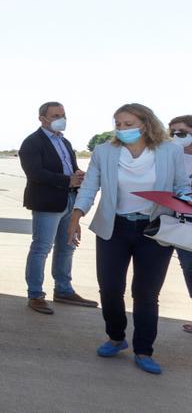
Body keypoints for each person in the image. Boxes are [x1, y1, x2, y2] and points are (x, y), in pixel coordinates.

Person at [67, 103, 192, 374]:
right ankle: (116, 337)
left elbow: (181, 185)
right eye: (119, 124)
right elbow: (90, 185)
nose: (122, 129)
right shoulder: (105, 151)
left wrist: (186, 201)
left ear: (146, 124)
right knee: (110, 288)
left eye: (128, 124)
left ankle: (144, 350)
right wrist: (76, 216)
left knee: (146, 294)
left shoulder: (170, 150)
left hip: (155, 230)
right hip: (114, 229)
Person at [19, 102, 97, 314]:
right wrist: (67, 180)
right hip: (48, 202)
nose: (61, 118)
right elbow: (35, 173)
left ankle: (63, 289)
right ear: (42, 118)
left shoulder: (65, 142)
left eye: (63, 114)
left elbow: (68, 169)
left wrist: (77, 175)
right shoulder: (32, 143)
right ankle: (35, 294)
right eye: (55, 115)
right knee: (42, 247)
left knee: (67, 246)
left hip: (69, 201)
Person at [167, 115, 192, 334]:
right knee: (189, 268)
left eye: (181, 132)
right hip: (178, 221)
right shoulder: (169, 156)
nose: (176, 136)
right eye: (172, 132)